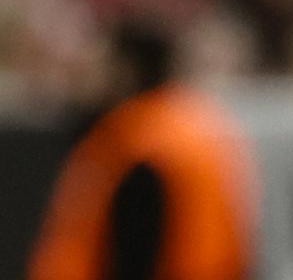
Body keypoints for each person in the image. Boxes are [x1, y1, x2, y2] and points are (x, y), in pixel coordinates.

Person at [30, 21, 256, 280]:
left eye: (99, 66)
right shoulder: (191, 128)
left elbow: (134, 255)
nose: (83, 77)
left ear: (125, 71)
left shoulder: (141, 147)